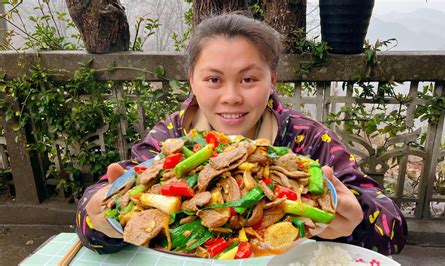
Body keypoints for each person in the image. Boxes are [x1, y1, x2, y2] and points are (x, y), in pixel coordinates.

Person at [76, 13, 407, 256]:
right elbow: (92, 217)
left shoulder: (306, 139)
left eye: (248, 80)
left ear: (272, 79)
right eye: (214, 80)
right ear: (192, 79)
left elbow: (394, 229)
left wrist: (354, 222)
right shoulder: (172, 138)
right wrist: (102, 223)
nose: (232, 96)